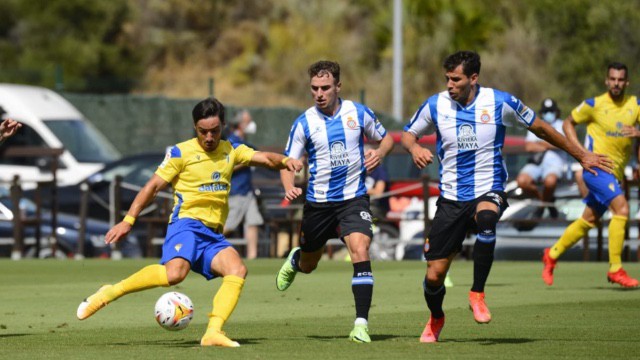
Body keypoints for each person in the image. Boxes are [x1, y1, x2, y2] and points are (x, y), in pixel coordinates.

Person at [401, 50, 612, 343]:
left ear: (473, 78)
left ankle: (477, 294)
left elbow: (539, 127)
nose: (450, 84)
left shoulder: (500, 102)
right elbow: (408, 134)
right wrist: (414, 149)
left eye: (456, 79)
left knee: (487, 217)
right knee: (434, 276)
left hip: (489, 187)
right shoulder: (436, 105)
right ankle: (436, 317)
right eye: (447, 78)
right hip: (451, 198)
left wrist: (580, 155)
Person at [76, 97, 303, 347]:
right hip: (186, 224)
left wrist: (285, 161)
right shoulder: (180, 152)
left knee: (237, 270)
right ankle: (109, 292)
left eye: (214, 131)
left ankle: (213, 332)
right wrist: (128, 220)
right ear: (195, 128)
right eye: (202, 131)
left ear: (223, 126)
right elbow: (152, 186)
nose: (208, 137)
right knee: (175, 275)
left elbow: (266, 159)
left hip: (213, 234)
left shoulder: (232, 150)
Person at [275, 60, 394, 343]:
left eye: (325, 87)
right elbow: (286, 162)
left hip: (353, 199)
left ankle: (361, 324)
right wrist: (289, 185)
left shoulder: (359, 113)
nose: (319, 93)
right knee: (309, 265)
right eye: (314, 88)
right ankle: (296, 259)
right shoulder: (304, 122)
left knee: (360, 249)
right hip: (318, 205)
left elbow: (388, 139)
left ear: (338, 87)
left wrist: (380, 153)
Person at [542, 62, 640, 288]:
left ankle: (552, 254)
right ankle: (616, 268)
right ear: (607, 81)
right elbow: (568, 123)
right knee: (622, 209)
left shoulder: (634, 105)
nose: (616, 83)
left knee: (590, 219)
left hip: (614, 174)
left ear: (626, 82)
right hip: (595, 169)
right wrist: (582, 154)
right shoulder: (594, 105)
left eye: (620, 80)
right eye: (612, 79)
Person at [516, 98, 568, 218]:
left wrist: (540, 143)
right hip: (536, 162)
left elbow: (563, 144)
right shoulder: (535, 124)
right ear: (541, 113)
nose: (548, 114)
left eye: (551, 111)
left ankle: (541, 207)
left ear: (557, 112)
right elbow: (529, 147)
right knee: (522, 181)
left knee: (550, 182)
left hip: (555, 163)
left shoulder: (562, 125)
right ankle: (547, 203)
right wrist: (552, 143)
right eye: (545, 111)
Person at [224, 109, 264, 259]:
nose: (251, 124)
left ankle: (252, 257)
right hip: (236, 191)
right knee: (229, 225)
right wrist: (246, 160)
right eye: (248, 121)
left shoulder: (246, 143)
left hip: (248, 191)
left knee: (253, 221)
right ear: (240, 124)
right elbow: (226, 167)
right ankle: (203, 244)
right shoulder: (231, 142)